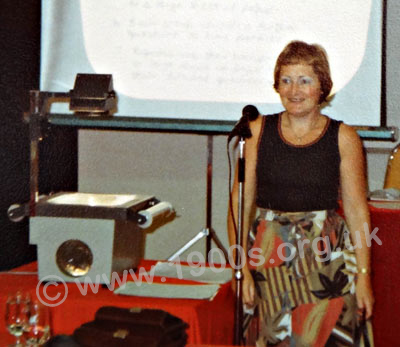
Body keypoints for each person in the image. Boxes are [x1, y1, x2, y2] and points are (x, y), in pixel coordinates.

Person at [227, 40, 374, 346]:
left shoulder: (344, 137)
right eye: (286, 80)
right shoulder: (255, 132)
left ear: (322, 87)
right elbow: (238, 205)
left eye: (304, 80)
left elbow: (358, 211)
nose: (294, 90)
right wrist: (239, 268)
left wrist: (363, 275)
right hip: (268, 254)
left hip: (327, 258)